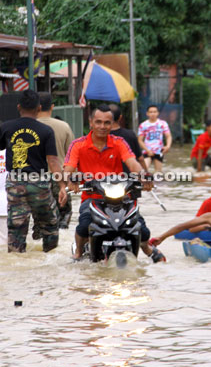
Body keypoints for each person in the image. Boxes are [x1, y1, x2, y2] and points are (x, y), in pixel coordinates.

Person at [64, 105, 164, 262]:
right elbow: (67, 169)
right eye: (98, 122)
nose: (102, 127)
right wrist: (71, 181)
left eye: (107, 123)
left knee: (143, 231)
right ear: (90, 122)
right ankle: (77, 251)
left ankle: (146, 247)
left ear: (113, 124)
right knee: (84, 227)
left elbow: (133, 164)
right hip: (93, 197)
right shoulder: (78, 144)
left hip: (122, 196)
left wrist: (144, 177)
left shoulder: (119, 142)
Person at [0, 90, 67, 253]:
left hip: (15, 182)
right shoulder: (46, 131)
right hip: (39, 183)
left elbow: (0, 146)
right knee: (49, 224)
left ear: (19, 107)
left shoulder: (6, 127)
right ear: (39, 108)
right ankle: (49, 257)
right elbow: (53, 161)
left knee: (16, 226)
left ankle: (16, 259)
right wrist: (62, 186)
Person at [37, 92, 74, 229]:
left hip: (36, 179)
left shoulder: (29, 127)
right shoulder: (64, 127)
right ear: (52, 107)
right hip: (60, 178)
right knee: (64, 216)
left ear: (37, 107)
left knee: (40, 220)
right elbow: (71, 156)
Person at [108, 104, 147, 172]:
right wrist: (146, 172)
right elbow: (140, 158)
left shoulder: (100, 137)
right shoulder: (130, 134)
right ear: (120, 117)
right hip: (129, 177)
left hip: (107, 177)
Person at [138, 105, 172, 173]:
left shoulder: (163, 123)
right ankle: (145, 183)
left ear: (158, 113)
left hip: (159, 151)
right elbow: (140, 140)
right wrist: (147, 150)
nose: (153, 114)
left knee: (158, 173)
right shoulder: (143, 125)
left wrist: (168, 146)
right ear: (147, 113)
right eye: (150, 112)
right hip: (147, 151)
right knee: (144, 171)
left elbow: (168, 136)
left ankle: (156, 183)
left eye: (154, 112)